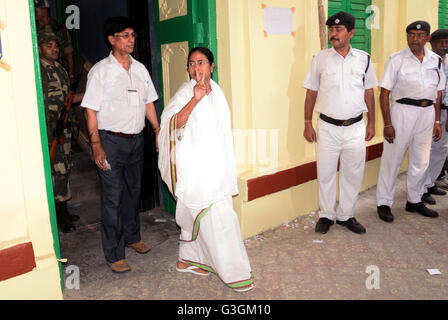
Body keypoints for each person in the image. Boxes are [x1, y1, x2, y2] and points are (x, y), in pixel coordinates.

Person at [158, 47, 254, 293]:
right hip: (197, 169)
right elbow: (171, 124)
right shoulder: (185, 92)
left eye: (201, 63)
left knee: (205, 216)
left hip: (216, 166)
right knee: (220, 219)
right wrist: (194, 98)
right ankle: (235, 272)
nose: (196, 68)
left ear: (212, 67)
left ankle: (189, 260)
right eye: (191, 63)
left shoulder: (218, 91)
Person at [81, 16, 160, 273]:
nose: (131, 40)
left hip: (136, 141)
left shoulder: (140, 69)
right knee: (113, 199)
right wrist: (96, 144)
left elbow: (149, 102)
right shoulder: (100, 71)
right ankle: (114, 254)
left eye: (133, 35)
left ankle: (132, 237)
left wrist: (157, 129)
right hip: (110, 142)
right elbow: (90, 110)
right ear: (111, 39)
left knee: (132, 193)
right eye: (125, 35)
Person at [303, 11, 377, 235]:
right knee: (325, 172)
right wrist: (307, 121)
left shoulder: (364, 59)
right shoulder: (320, 59)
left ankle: (346, 215)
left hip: (355, 127)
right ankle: (326, 215)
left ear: (351, 33)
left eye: (338, 30)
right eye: (331, 30)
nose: (333, 34)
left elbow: (369, 92)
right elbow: (310, 93)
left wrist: (372, 122)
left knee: (352, 173)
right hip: (327, 127)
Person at [376, 21, 445, 222]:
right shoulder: (396, 59)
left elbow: (438, 93)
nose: (415, 39)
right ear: (407, 37)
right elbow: (384, 93)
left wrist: (437, 122)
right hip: (402, 112)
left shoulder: (435, 60)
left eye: (420, 35)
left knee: (421, 159)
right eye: (411, 35)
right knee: (392, 159)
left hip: (427, 113)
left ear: (427, 38)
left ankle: (414, 200)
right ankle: (384, 203)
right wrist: (388, 124)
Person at [38, 31, 84, 232]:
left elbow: (68, 98)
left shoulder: (60, 69)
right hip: (49, 130)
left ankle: (62, 209)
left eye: (56, 45)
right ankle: (58, 215)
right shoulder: (38, 70)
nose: (54, 49)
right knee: (56, 171)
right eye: (49, 46)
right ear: (39, 48)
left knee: (64, 167)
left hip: (63, 128)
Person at [421, 29, 448, 205]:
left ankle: (430, 183)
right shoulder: (426, 60)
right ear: (432, 42)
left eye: (447, 43)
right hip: (429, 111)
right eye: (441, 42)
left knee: (441, 148)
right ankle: (421, 189)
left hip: (446, 109)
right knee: (425, 151)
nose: (444, 46)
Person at [34, 0, 75, 83]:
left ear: (44, 10)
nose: (33, 12)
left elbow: (69, 52)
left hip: (60, 71)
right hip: (42, 73)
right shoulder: (34, 29)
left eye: (36, 9)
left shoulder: (59, 28)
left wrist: (71, 74)